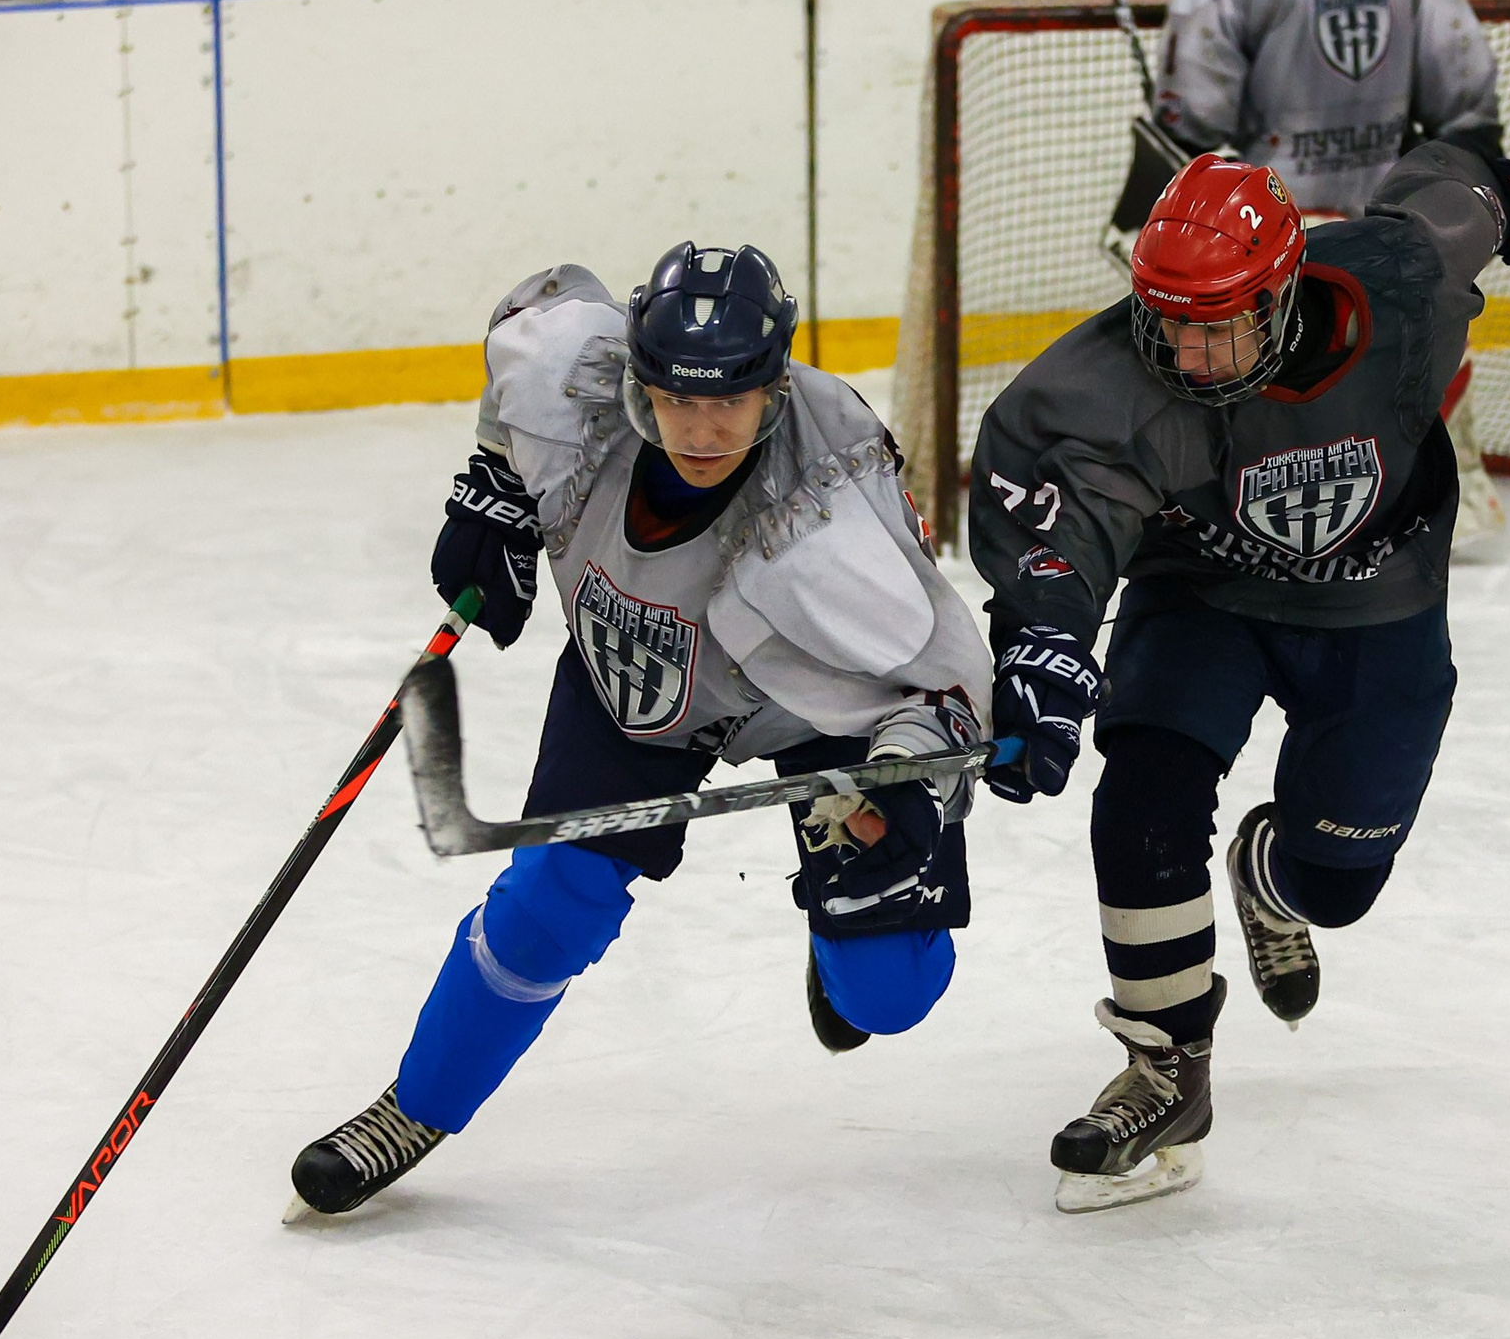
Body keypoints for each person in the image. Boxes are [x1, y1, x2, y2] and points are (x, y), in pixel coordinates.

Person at [289, 245, 993, 1217]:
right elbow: (529, 315)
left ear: (774, 386)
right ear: (635, 374)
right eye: (676, 399)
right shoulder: (574, 376)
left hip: (814, 697)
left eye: (731, 403)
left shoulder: (833, 503)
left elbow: (946, 690)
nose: (702, 430)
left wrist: (909, 782)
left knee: (886, 994)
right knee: (551, 902)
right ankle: (417, 1105)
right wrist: (492, 484)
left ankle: (843, 940)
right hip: (641, 667)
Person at [971, 142, 1510, 1212]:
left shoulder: (1399, 278)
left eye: (1218, 327)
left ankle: (1272, 876)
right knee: (1143, 793)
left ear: (1283, 293)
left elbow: (1452, 184)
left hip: (1379, 608)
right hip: (1200, 594)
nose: (1189, 355)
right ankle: (1167, 1071)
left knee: (1335, 887)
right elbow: (1062, 526)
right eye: (1168, 323)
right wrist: (1045, 635)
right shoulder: (1116, 379)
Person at [1131, 0, 1510, 544]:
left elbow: (1457, 73)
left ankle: (1453, 479)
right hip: (1273, 216)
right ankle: (1271, 498)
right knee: (1280, 361)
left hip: (1387, 197)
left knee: (1433, 323)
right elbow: (1196, 99)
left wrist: (1465, 174)